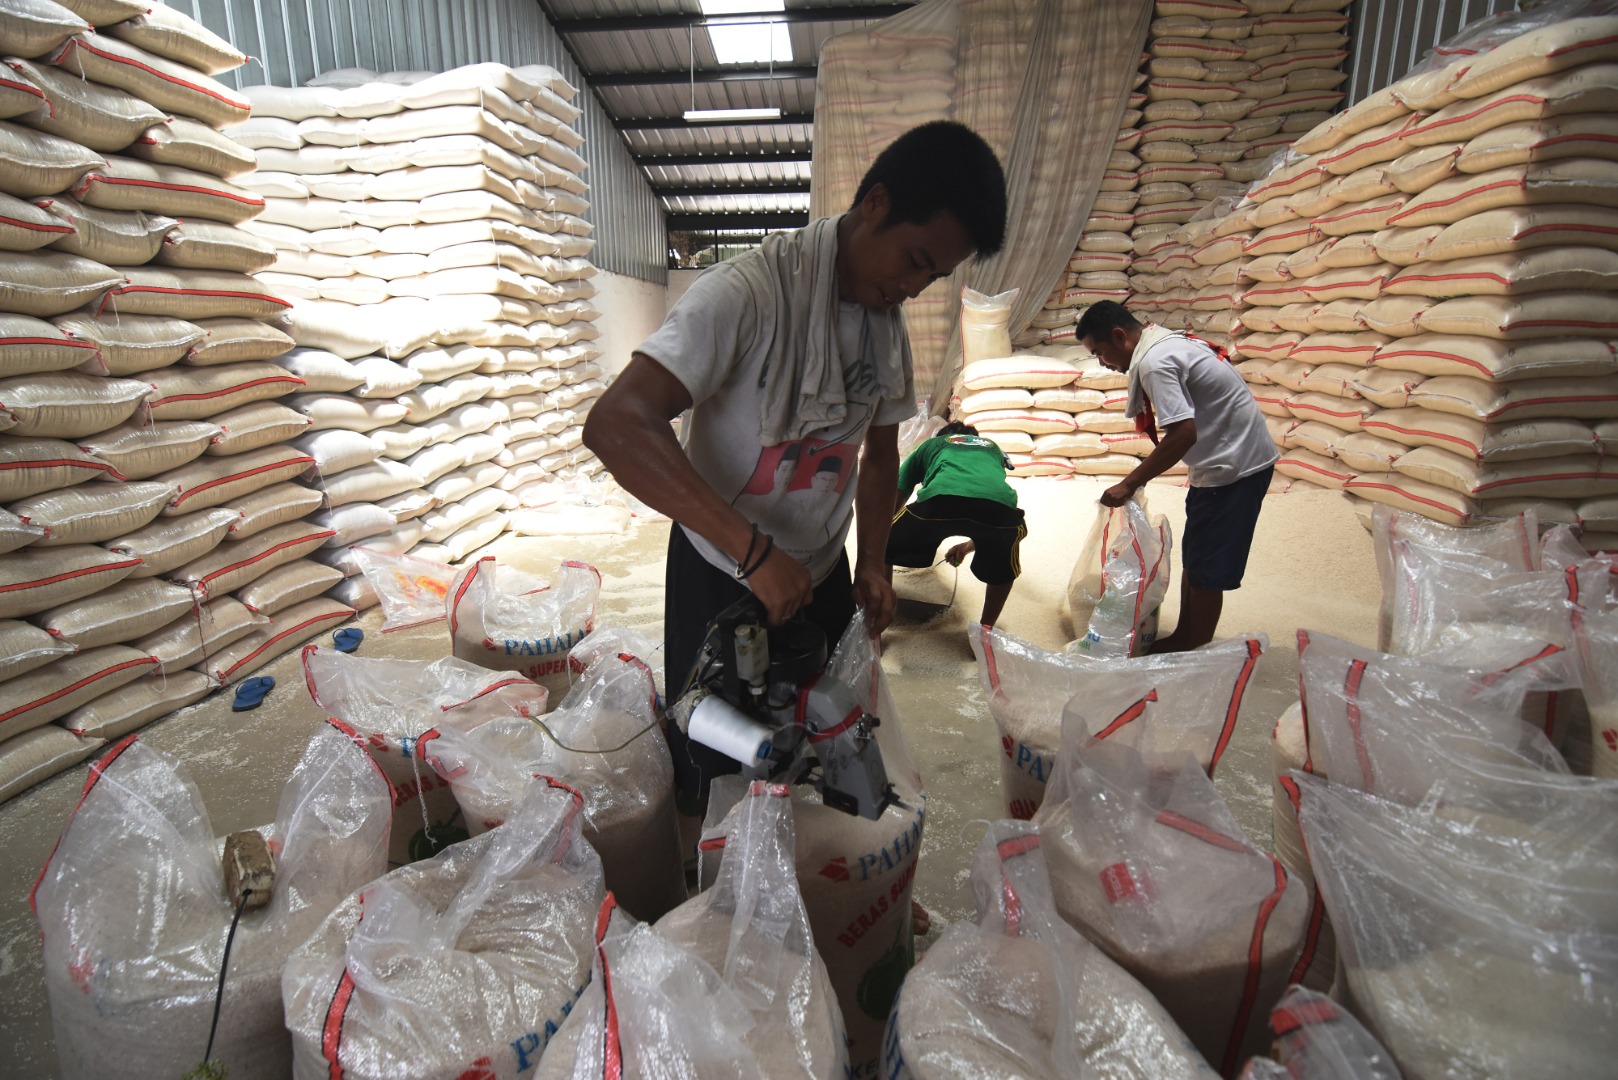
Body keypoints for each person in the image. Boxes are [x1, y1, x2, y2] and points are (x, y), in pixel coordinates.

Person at [582, 121, 1008, 825]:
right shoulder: (744, 295)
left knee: (837, 733)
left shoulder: (883, 327)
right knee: (720, 750)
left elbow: (879, 456)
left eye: (930, 276)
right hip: (721, 563)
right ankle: (725, 896)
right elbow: (616, 424)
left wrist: (872, 560)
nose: (910, 287)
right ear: (875, 205)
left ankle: (844, 879)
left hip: (818, 563)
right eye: (912, 260)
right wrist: (752, 553)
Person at [1075, 301, 1277, 653]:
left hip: (1234, 468)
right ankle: (1186, 636)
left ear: (1119, 336)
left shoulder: (1155, 362)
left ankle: (1193, 647)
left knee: (1208, 567)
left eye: (1099, 352)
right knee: (1197, 557)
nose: (1102, 362)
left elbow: (1183, 433)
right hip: (1223, 463)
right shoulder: (1167, 343)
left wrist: (1130, 482)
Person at [887, 421, 1025, 628]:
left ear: (942, 436)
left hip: (939, 500)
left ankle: (877, 619)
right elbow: (985, 503)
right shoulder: (992, 447)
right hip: (1001, 512)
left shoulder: (932, 444)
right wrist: (969, 545)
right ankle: (986, 630)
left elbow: (900, 488)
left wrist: (890, 532)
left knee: (884, 546)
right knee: (1002, 565)